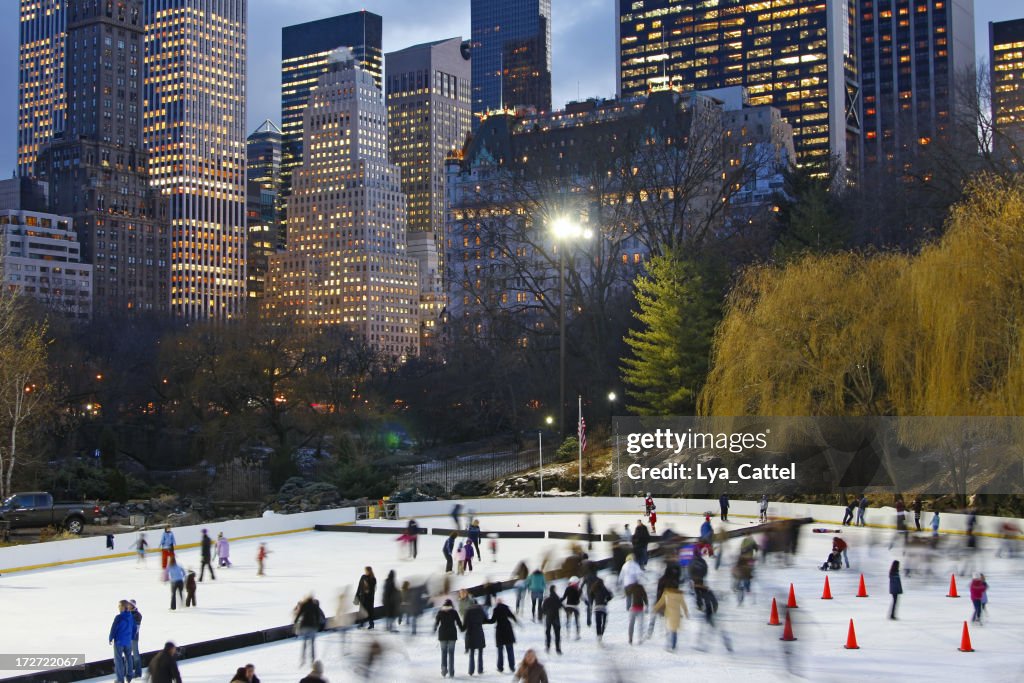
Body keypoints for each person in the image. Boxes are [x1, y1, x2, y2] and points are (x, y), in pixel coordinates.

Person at [653, 583, 689, 650]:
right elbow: (684, 605)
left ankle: (669, 645)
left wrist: (655, 608)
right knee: (674, 630)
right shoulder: (680, 595)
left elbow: (661, 602)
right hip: (676, 615)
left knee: (668, 630)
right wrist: (686, 613)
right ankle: (673, 645)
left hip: (669, 614)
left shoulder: (667, 593)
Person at [435, 598, 464, 679]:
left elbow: (436, 622)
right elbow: (458, 622)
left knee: (443, 652)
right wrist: (462, 629)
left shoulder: (440, 612)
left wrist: (434, 628)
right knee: (451, 653)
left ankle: (444, 670)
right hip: (452, 635)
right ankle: (451, 672)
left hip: (442, 635)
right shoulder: (454, 612)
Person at [488, 597, 518, 672]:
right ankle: (512, 667)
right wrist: (516, 621)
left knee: (500, 651)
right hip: (508, 630)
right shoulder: (506, 608)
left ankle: (500, 667)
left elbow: (492, 620)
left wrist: (484, 620)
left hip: (500, 632)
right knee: (510, 650)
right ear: (502, 602)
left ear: (497, 603)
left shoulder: (496, 609)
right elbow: (512, 616)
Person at [294, 594, 326, 665]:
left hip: (305, 626)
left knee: (304, 644)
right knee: (312, 644)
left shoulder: (304, 605)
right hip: (312, 627)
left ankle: (303, 659)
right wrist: (318, 625)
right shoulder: (315, 606)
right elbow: (318, 616)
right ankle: (312, 659)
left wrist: (295, 622)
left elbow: (299, 614)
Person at [108, 599, 135, 683]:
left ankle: (120, 680)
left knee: (118, 661)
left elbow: (113, 628)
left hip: (119, 642)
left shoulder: (119, 617)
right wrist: (132, 637)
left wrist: (110, 637)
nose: (118, 607)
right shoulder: (131, 616)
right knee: (129, 658)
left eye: (119, 606)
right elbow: (134, 628)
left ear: (123, 607)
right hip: (128, 642)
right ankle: (129, 676)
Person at [463, 598, 488, 675]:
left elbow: (465, 623)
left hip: (471, 633)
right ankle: (480, 670)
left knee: (472, 653)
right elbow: (485, 619)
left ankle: (471, 671)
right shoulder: (481, 610)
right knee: (480, 653)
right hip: (479, 633)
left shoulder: (467, 611)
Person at [589, 575, 613, 642]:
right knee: (604, 623)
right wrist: (606, 600)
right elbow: (610, 596)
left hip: (597, 608)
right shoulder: (604, 588)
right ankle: (601, 634)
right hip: (603, 608)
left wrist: (592, 601)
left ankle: (598, 636)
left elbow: (591, 595)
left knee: (598, 623)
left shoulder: (594, 589)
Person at [541, 585, 563, 655]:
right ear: (554, 590)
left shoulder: (546, 599)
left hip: (548, 618)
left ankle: (547, 647)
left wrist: (546, 613)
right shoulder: (557, 598)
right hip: (556, 617)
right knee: (557, 634)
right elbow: (560, 606)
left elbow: (543, 610)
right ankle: (558, 649)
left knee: (548, 633)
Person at [128, 600, 143, 679]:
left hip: (133, 638)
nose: (128, 606)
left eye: (130, 604)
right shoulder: (127, 613)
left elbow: (136, 627)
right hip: (126, 638)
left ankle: (138, 672)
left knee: (135, 655)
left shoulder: (137, 615)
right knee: (128, 655)